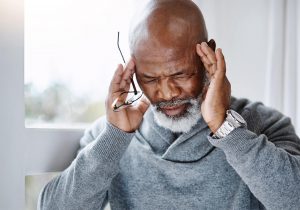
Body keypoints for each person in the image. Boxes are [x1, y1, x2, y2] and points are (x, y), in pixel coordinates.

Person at [38, 0, 300, 209]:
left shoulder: (263, 123)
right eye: (150, 78)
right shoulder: (111, 135)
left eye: (180, 74)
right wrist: (115, 138)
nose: (166, 93)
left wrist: (225, 128)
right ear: (134, 69)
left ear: (207, 56)